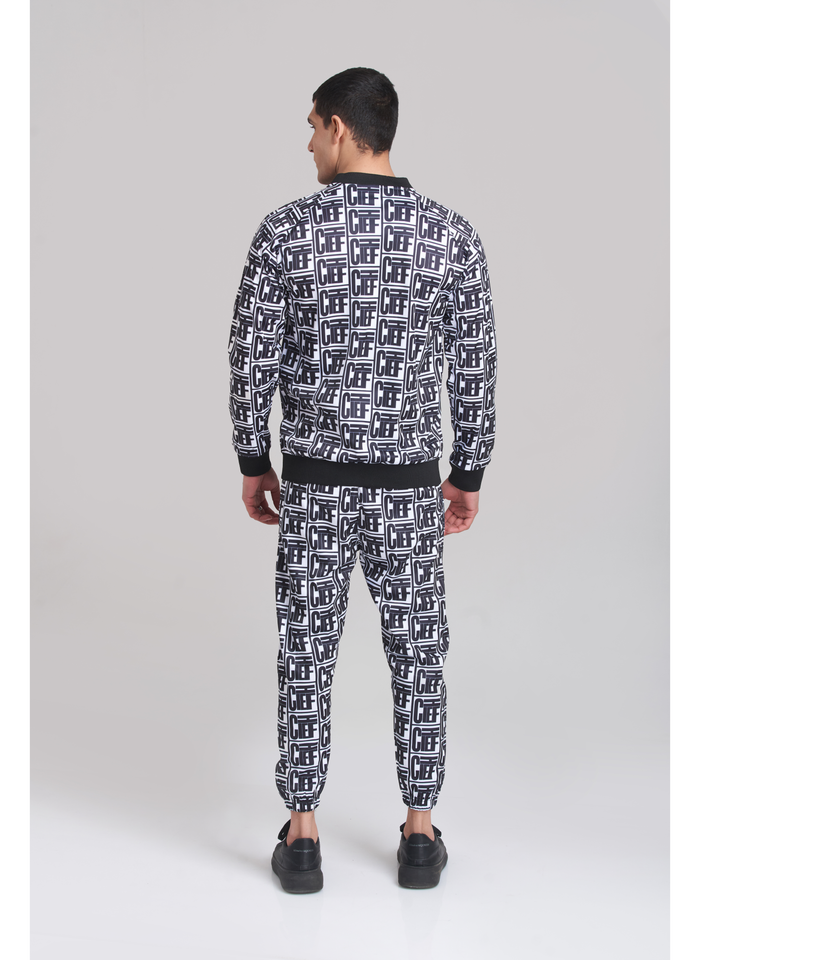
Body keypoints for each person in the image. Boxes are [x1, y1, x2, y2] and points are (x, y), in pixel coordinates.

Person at [228, 67, 497, 893]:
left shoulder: (286, 231)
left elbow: (249, 359)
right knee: (419, 654)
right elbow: (474, 367)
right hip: (410, 488)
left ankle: (303, 834)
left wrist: (253, 460)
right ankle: (419, 832)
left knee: (305, 651)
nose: (309, 143)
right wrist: (467, 471)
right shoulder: (450, 236)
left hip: (314, 487)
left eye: (313, 127)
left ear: (341, 127)